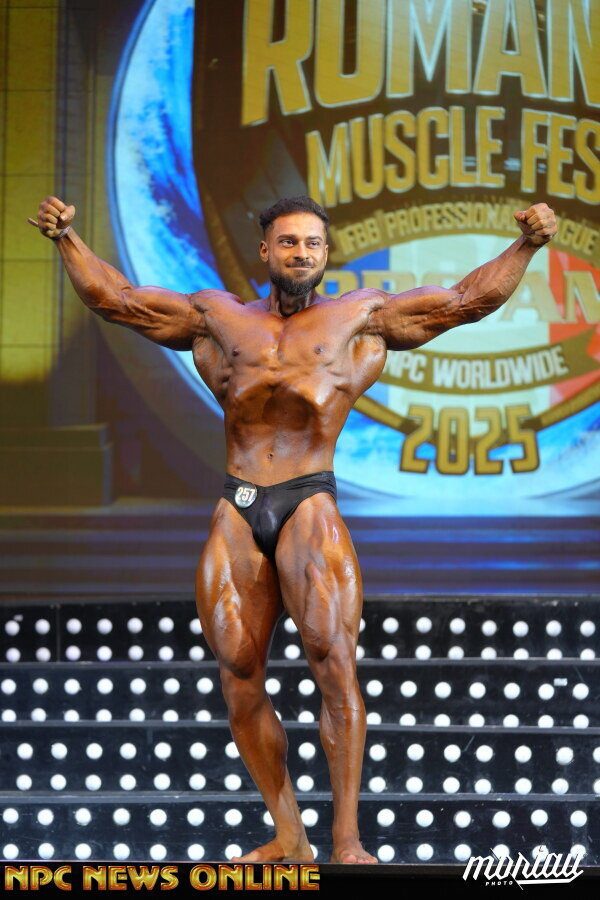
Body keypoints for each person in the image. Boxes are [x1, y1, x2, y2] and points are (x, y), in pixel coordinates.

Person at [29, 194, 557, 864]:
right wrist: (68, 239)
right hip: (237, 504)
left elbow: (464, 302)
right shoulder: (217, 317)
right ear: (265, 251)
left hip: (309, 501)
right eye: (287, 242)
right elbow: (120, 301)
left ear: (326, 254)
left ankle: (347, 841)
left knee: (332, 662)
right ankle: (290, 836)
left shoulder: (361, 317)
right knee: (238, 671)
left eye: (311, 243)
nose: (300, 253)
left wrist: (526, 245)